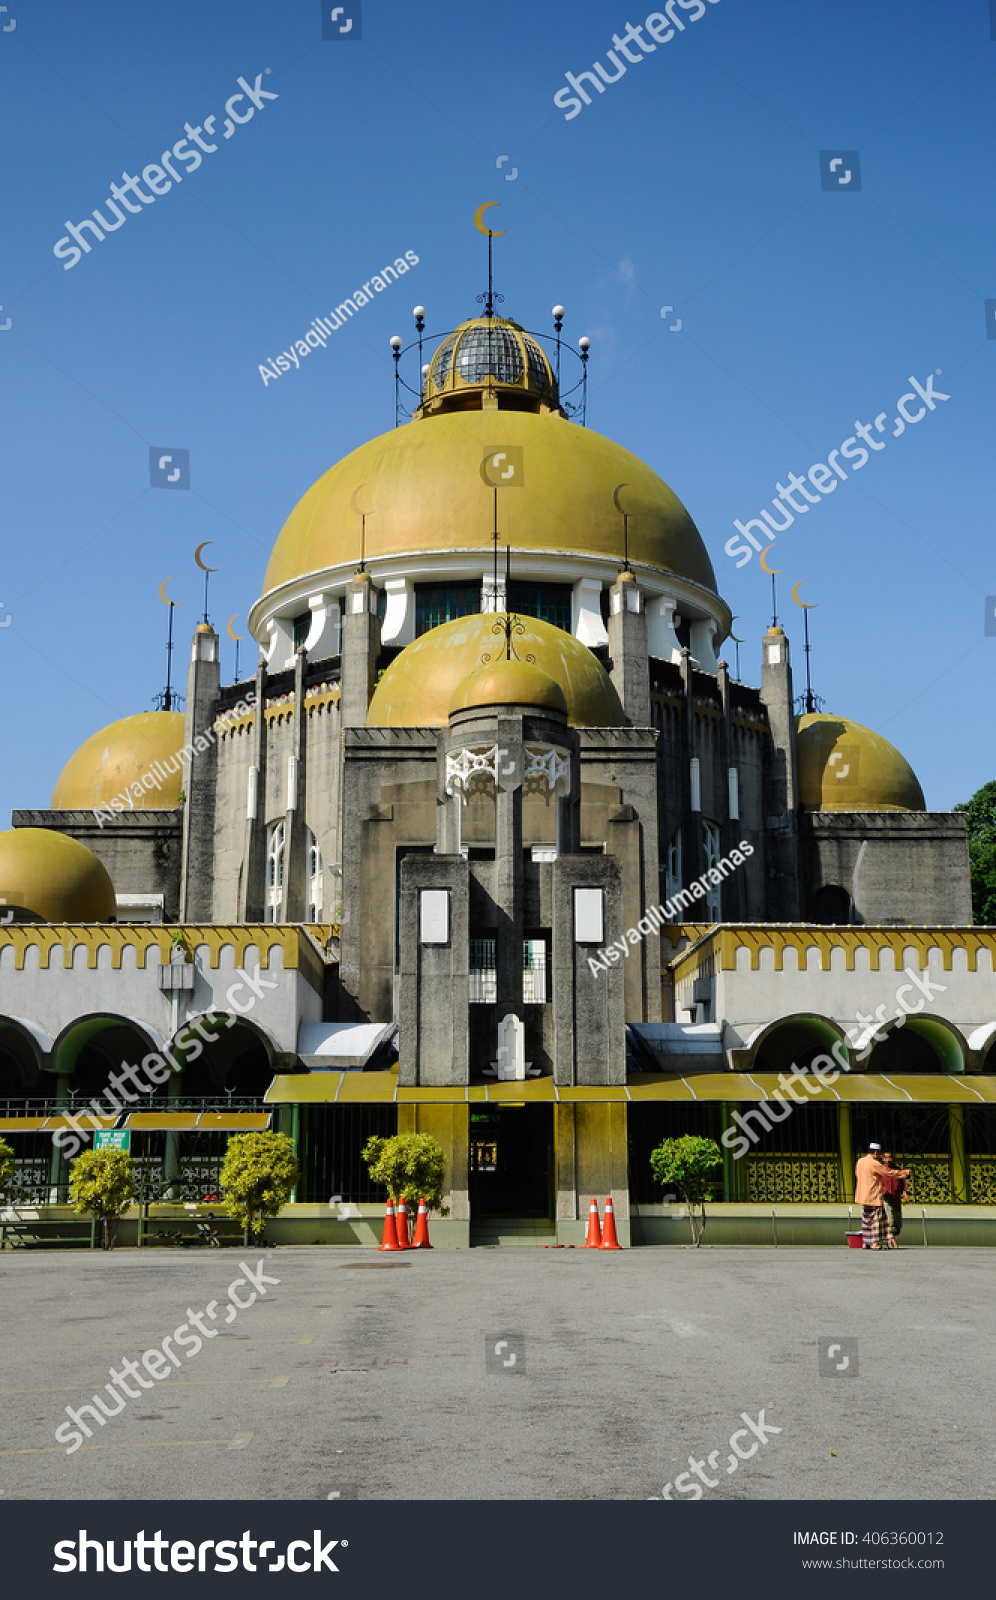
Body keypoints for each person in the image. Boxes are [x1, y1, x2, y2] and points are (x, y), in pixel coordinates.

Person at [854, 1142, 910, 1251]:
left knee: (867, 1219)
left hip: (863, 1195)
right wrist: (904, 1173)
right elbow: (888, 1173)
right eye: (879, 1154)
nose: (879, 1156)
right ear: (875, 1152)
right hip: (873, 1196)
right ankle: (875, 1243)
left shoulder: (860, 1161)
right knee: (877, 1220)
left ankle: (865, 1242)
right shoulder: (874, 1163)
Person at [880, 1151, 907, 1248]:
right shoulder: (882, 1170)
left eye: (890, 1158)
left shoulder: (897, 1170)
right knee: (890, 1220)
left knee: (897, 1224)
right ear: (883, 1159)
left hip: (896, 1199)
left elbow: (902, 1185)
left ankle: (890, 1239)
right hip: (886, 1198)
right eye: (886, 1158)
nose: (888, 1160)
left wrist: (905, 1195)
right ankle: (891, 1241)